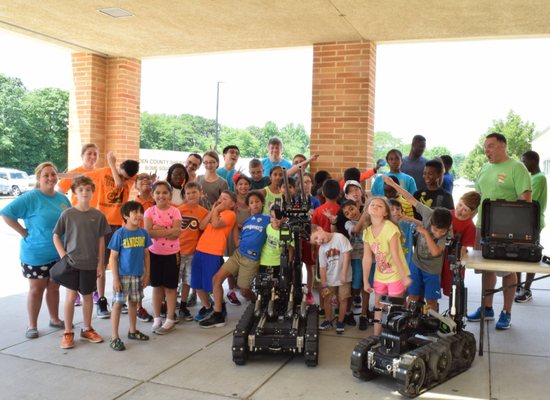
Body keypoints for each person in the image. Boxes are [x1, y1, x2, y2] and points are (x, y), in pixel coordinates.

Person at [466, 132, 531, 330]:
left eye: (491, 146)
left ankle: (506, 312)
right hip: (482, 228)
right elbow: (476, 197)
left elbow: (525, 200)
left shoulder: (517, 168)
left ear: (503, 146)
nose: (487, 150)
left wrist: (512, 226)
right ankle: (487, 309)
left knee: (507, 271)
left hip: (506, 232)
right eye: (485, 147)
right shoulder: (485, 168)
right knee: (486, 268)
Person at [1, 162, 71, 338]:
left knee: (54, 287)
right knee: (36, 289)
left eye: (53, 174)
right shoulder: (31, 197)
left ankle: (54, 319)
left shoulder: (63, 198)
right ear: (39, 178)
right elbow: (6, 213)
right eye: (46, 175)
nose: (50, 178)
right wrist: (23, 232)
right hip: (36, 254)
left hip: (58, 253)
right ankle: (32, 325)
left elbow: (69, 222)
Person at [52, 176, 111, 349]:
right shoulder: (68, 214)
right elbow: (56, 235)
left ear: (93, 192)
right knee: (70, 297)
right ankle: (68, 332)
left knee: (87, 297)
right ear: (75, 193)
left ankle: (87, 329)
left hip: (90, 263)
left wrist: (100, 264)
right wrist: (63, 255)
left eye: (87, 189)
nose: (84, 192)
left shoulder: (98, 215)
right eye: (80, 190)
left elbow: (101, 241)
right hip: (72, 263)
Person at [199, 191, 270, 328]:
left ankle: (258, 302)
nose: (254, 204)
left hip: (251, 259)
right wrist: (234, 226)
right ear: (248, 206)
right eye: (251, 202)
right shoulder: (247, 221)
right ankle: (218, 315)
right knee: (216, 279)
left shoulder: (267, 219)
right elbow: (237, 242)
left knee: (244, 290)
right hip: (238, 254)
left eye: (257, 201)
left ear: (262, 203)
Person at [383, 175, 453, 312]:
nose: (438, 234)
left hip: (432, 269)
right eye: (435, 230)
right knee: (413, 295)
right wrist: (393, 184)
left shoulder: (449, 230)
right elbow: (410, 198)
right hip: (416, 264)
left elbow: (436, 252)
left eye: (442, 232)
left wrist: (426, 233)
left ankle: (432, 322)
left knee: (431, 299)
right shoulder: (428, 213)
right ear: (431, 220)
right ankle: (411, 320)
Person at [83, 152, 140, 319]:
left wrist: (112, 164)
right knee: (102, 262)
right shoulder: (103, 172)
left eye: (126, 177)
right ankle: (101, 299)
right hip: (102, 223)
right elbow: (81, 175)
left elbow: (118, 183)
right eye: (122, 174)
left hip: (118, 224)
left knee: (120, 262)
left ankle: (119, 299)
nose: (123, 178)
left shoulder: (127, 178)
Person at [361, 196, 412, 336]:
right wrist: (365, 280)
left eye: (380, 205)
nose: (375, 206)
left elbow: (395, 255)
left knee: (395, 308)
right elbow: (366, 258)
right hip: (380, 275)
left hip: (396, 274)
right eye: (372, 204)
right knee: (378, 307)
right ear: (367, 209)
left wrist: (404, 277)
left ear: (385, 213)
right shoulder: (367, 232)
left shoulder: (390, 228)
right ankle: (376, 338)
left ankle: (396, 338)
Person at [108, 201, 152, 351]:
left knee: (134, 303)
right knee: (118, 304)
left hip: (138, 274)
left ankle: (132, 331)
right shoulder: (119, 234)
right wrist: (115, 278)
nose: (139, 215)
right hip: (122, 276)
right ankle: (114, 337)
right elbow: (113, 257)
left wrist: (147, 274)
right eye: (135, 212)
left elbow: (146, 255)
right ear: (126, 215)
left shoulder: (143, 233)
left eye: (141, 212)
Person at [190, 190, 237, 321]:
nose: (221, 200)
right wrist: (213, 210)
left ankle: (219, 309)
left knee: (213, 284)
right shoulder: (215, 212)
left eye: (225, 199)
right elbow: (201, 226)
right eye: (220, 198)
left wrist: (216, 211)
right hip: (200, 249)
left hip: (214, 252)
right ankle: (207, 306)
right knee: (196, 283)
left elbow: (216, 224)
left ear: (232, 204)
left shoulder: (230, 214)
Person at [144, 181, 182, 334]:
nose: (161, 195)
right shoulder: (149, 212)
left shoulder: (175, 211)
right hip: (154, 253)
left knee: (171, 288)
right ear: (153, 195)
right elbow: (148, 233)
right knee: (157, 287)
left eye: (165, 192)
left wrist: (158, 228)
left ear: (170, 195)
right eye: (157, 193)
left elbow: (177, 234)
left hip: (172, 254)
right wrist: (169, 230)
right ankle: (157, 317)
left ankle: (170, 319)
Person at [515, 150, 546, 303]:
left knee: (530, 256)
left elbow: (528, 199)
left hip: (532, 223)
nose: (523, 164)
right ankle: (518, 285)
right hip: (523, 222)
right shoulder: (531, 177)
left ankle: (527, 289)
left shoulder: (539, 179)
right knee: (519, 253)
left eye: (524, 161)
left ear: (534, 160)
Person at [311, 224, 353, 334]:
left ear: (320, 228)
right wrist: (324, 284)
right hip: (330, 278)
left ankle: (340, 321)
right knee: (327, 299)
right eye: (315, 242)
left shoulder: (340, 238)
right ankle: (329, 320)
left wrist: (343, 273)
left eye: (316, 238)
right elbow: (322, 268)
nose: (318, 242)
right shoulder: (322, 249)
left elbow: (347, 255)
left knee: (343, 299)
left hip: (344, 277)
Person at [176, 182, 209, 320]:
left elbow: (204, 231)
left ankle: (183, 306)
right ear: (184, 195)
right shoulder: (178, 210)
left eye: (194, 192)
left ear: (201, 193)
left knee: (187, 281)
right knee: (173, 281)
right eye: (188, 193)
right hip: (177, 251)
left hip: (192, 252)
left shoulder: (203, 212)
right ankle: (168, 305)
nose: (191, 195)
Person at [440, 191, 481, 297]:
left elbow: (463, 247)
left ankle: (453, 308)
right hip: (439, 255)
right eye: (460, 205)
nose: (460, 210)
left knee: (452, 288)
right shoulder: (446, 214)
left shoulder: (470, 226)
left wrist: (458, 263)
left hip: (454, 258)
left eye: (465, 210)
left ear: (472, 212)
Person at [341, 200, 371, 330]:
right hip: (356, 257)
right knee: (356, 285)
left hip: (370, 257)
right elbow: (356, 229)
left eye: (352, 209)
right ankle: (348, 312)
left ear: (357, 206)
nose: (350, 213)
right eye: (347, 213)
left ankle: (364, 315)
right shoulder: (349, 223)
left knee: (367, 286)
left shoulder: (369, 218)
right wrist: (365, 213)